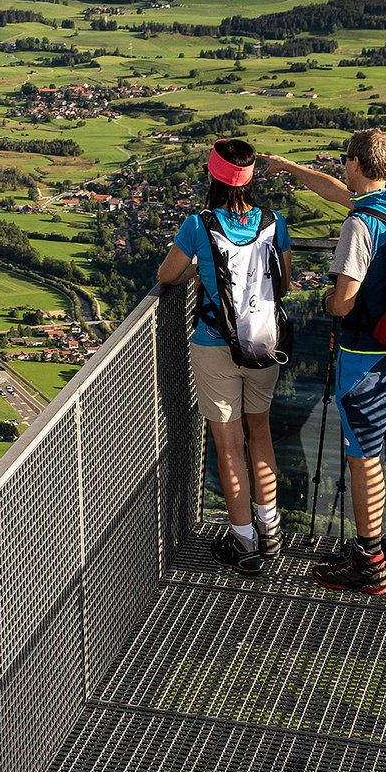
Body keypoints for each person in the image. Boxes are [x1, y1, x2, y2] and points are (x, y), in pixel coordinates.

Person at [262, 128, 386, 597]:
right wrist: (292, 169)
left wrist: (327, 305)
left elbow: (346, 299)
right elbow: (346, 196)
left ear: (355, 161)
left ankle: (369, 561)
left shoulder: (359, 227)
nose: (341, 167)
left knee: (364, 459)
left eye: (344, 160)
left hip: (365, 361)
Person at [157, 137, 290, 575]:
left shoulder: (199, 224)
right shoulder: (274, 221)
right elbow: (282, 283)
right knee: (261, 435)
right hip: (265, 345)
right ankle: (271, 528)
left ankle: (244, 540)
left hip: (215, 344)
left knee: (229, 446)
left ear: (213, 175)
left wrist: (202, 268)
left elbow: (168, 274)